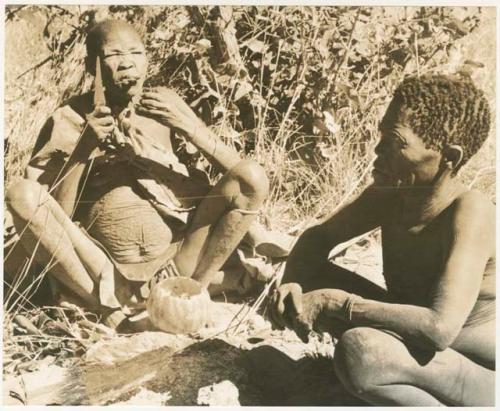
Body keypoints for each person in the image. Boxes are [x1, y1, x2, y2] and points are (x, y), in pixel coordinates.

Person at [5, 19, 269, 328]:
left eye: (136, 52)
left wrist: (190, 128)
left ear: (147, 59)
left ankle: (191, 293)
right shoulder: (68, 118)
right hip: (104, 274)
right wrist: (83, 148)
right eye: (114, 54)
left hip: (179, 260)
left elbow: (244, 181)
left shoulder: (164, 104)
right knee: (21, 194)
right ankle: (112, 312)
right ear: (93, 65)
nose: (128, 63)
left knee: (252, 175)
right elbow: (54, 219)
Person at [270, 74, 494, 406]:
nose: (377, 151)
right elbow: (318, 238)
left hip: (480, 375)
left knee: (362, 352)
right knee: (313, 279)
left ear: (450, 157)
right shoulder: (393, 193)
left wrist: (337, 304)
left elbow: (439, 329)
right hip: (416, 345)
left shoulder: (470, 211)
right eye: (380, 136)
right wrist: (294, 285)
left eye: (394, 142)